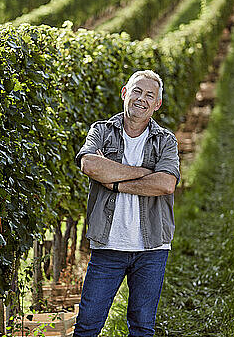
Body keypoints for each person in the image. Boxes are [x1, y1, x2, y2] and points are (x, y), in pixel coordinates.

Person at [73, 70, 180, 337]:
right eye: (136, 91)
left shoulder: (166, 141)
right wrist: (145, 172)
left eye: (149, 95)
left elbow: (166, 184)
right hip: (108, 245)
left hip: (152, 247)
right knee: (87, 327)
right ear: (124, 93)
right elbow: (88, 163)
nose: (141, 99)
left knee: (142, 328)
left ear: (157, 104)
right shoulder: (101, 131)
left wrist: (114, 180)